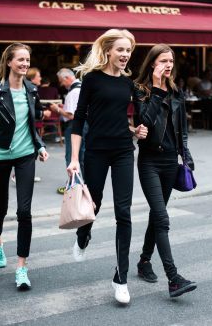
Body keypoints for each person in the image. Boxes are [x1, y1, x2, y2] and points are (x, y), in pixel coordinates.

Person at [66, 29, 148, 304]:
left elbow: (135, 119)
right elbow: (78, 120)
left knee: (124, 213)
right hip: (97, 151)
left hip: (124, 150)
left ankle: (121, 278)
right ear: (109, 51)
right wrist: (74, 159)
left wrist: (137, 131)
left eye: (129, 51)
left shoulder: (129, 84)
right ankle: (82, 235)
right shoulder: (92, 80)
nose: (125, 55)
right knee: (95, 204)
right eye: (121, 50)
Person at [0, 43, 49, 290]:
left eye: (27, 60)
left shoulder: (32, 90)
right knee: (2, 206)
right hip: (0, 155)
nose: (25, 64)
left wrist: (40, 146)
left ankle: (22, 268)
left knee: (24, 211)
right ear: (9, 62)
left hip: (26, 155)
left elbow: (32, 123)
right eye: (21, 60)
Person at [133, 44, 197, 298]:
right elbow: (143, 123)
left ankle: (144, 261)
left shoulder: (176, 92)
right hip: (149, 161)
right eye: (163, 60)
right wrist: (157, 88)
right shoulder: (140, 90)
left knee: (156, 215)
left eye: (170, 61)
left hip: (171, 162)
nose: (168, 64)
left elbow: (181, 131)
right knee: (162, 218)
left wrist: (187, 158)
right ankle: (173, 278)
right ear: (152, 63)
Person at [10, 67, 51, 184]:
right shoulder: (30, 88)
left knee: (32, 149)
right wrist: (43, 113)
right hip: (27, 125)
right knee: (29, 149)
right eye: (39, 76)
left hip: (31, 124)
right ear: (33, 78)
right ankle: (18, 175)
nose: (41, 78)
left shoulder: (31, 88)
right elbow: (29, 110)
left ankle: (24, 174)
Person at [51, 68, 87, 194]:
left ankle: (74, 185)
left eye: (61, 81)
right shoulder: (83, 87)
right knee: (82, 155)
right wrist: (65, 107)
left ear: (67, 78)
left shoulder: (73, 92)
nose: (61, 84)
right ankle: (83, 183)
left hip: (74, 126)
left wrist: (57, 109)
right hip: (85, 125)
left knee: (72, 156)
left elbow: (71, 116)